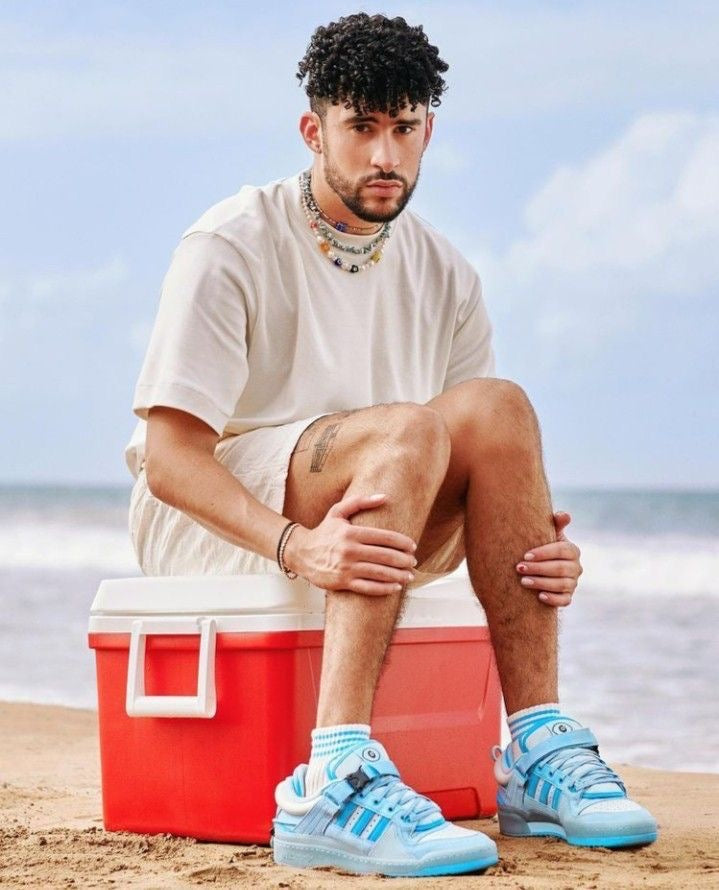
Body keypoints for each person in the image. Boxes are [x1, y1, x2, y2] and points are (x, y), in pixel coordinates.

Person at [124, 12, 657, 878]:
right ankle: (331, 782)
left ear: (427, 132)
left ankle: (535, 750)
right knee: (408, 426)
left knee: (498, 407)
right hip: (220, 520)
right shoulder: (230, 241)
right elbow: (168, 461)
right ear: (313, 131)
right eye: (361, 127)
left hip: (379, 521)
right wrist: (294, 544)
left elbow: (475, 456)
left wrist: (528, 544)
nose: (384, 154)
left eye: (403, 128)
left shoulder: (445, 272)